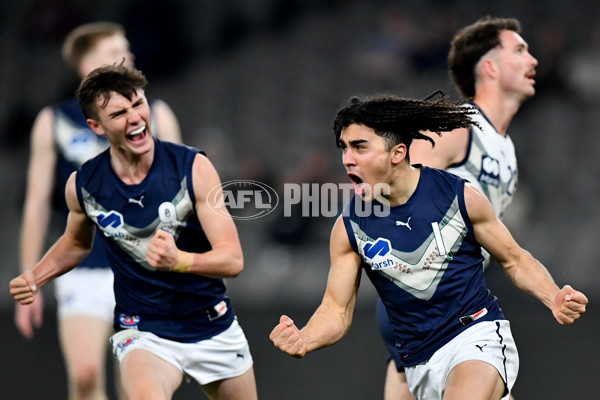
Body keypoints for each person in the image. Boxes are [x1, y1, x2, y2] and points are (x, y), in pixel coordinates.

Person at [269, 94, 587, 400]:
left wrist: (553, 295)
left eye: (359, 147)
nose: (347, 159)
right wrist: (305, 337)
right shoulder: (349, 226)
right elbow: (336, 310)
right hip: (419, 366)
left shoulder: (458, 197)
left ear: (397, 153)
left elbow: (515, 260)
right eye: (344, 148)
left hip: (475, 336)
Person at [10, 64, 258, 400]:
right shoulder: (84, 185)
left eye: (138, 104)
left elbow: (233, 259)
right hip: (143, 329)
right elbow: (75, 243)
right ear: (96, 126)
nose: (135, 117)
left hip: (211, 323)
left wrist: (180, 260)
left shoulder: (193, 168)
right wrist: (36, 276)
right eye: (119, 113)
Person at [15, 22, 182, 400]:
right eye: (116, 51)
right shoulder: (53, 122)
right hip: (84, 267)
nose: (129, 57)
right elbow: (37, 203)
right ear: (87, 64)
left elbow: (183, 198)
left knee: (137, 385)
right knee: (87, 375)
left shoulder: (157, 114)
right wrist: (31, 280)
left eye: (128, 49)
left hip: (142, 268)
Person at [376, 16, 539, 400]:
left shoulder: (506, 150)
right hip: (431, 305)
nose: (533, 60)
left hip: (452, 305)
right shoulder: (457, 127)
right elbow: (391, 188)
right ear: (490, 67)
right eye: (519, 50)